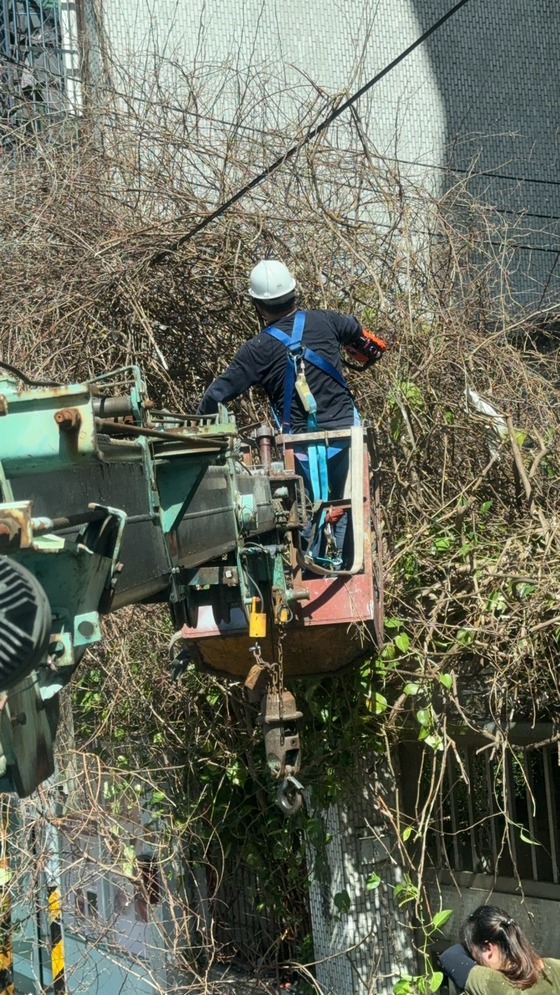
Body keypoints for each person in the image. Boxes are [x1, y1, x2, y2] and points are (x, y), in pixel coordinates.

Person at [196, 259, 385, 567]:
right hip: (347, 438)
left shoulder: (255, 351)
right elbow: (364, 339)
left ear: (257, 305)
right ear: (294, 294)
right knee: (349, 502)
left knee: (309, 509)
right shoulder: (329, 321)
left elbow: (216, 396)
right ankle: (348, 565)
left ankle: (315, 568)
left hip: (300, 451)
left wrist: (202, 433)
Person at [439, 905, 560, 995]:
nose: (475, 962)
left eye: (474, 955)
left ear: (488, 948)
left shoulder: (496, 985)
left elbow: (451, 956)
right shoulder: (553, 967)